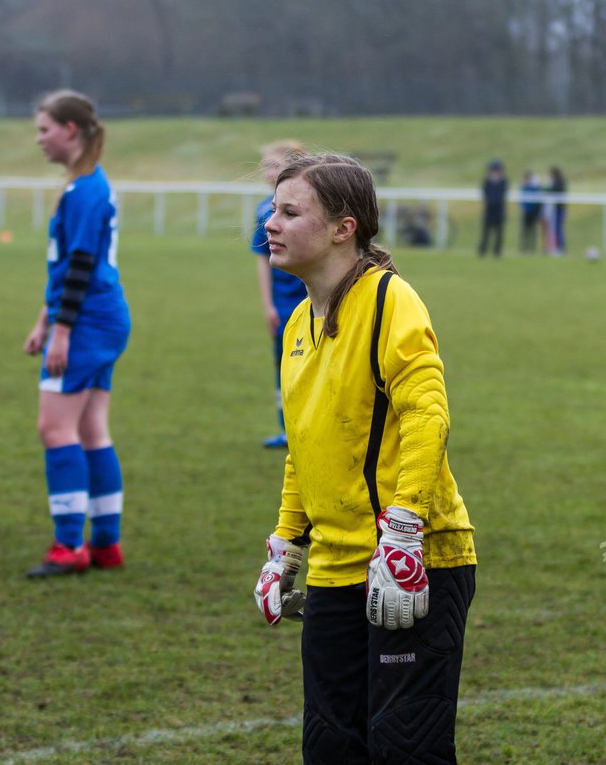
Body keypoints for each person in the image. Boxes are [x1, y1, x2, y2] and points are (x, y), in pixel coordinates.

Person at [251, 154, 477, 762]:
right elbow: (306, 446)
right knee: (330, 748)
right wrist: (286, 544)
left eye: (289, 212)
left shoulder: (389, 301)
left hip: (413, 560)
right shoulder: (299, 321)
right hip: (335, 570)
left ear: (343, 228)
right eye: (273, 209)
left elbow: (427, 418)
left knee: (406, 751)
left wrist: (404, 531)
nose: (270, 224)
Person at [22, 90, 132, 578]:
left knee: (55, 428)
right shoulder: (88, 184)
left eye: (44, 129)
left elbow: (81, 264)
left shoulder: (85, 188)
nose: (39, 139)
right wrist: (45, 319)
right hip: (100, 315)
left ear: (70, 130)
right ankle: (106, 543)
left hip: (87, 319)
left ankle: (69, 545)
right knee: (90, 429)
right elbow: (70, 264)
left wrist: (60, 331)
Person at [250, 139, 308, 448]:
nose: (267, 172)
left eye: (274, 165)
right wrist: (268, 304)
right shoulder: (264, 210)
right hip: (283, 304)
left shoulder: (310, 204)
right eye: (265, 166)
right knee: (284, 365)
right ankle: (288, 428)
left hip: (309, 299)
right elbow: (261, 260)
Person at [477, 159, 507, 257]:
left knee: (499, 233)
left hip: (499, 211)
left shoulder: (503, 182)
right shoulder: (486, 182)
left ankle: (497, 252)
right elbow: (485, 195)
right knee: (486, 232)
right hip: (489, 211)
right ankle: (482, 250)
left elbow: (501, 196)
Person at [544, 166, 567, 255]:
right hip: (555, 208)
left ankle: (560, 248)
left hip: (559, 208)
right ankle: (555, 247)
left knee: (558, 228)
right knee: (554, 228)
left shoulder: (559, 182)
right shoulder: (557, 182)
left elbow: (555, 191)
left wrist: (549, 186)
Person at [517, 169, 542, 254]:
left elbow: (537, 198)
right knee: (525, 231)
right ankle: (523, 248)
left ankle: (532, 248)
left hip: (533, 212)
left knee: (533, 231)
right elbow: (521, 200)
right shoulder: (524, 187)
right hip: (526, 212)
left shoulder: (534, 188)